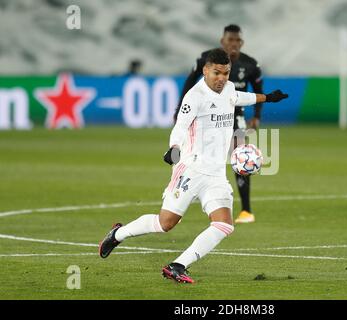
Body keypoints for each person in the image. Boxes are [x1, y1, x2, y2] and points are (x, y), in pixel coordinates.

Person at [99, 48, 288, 283]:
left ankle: (177, 266)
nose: (221, 78)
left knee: (224, 225)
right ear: (206, 70)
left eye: (226, 73)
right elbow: (179, 126)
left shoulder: (228, 89)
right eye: (217, 73)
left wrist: (267, 98)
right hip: (191, 169)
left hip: (216, 174)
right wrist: (174, 148)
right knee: (165, 224)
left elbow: (240, 97)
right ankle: (118, 234)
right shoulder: (194, 96)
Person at [174, 24, 263, 224]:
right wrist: (179, 110)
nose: (234, 44)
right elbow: (189, 83)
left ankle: (246, 210)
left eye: (237, 40)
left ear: (242, 43)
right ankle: (178, 200)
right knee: (194, 156)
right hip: (206, 118)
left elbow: (258, 88)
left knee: (240, 158)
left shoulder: (250, 64)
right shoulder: (206, 59)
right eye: (230, 40)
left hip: (234, 116)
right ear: (222, 41)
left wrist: (256, 116)